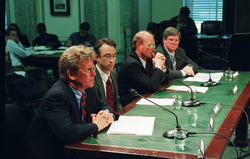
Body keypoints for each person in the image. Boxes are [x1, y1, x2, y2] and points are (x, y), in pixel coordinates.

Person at [29, 45, 118, 159]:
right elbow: (68, 132)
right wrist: (97, 125)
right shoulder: (57, 96)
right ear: (71, 74)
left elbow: (104, 106)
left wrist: (104, 115)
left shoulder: (88, 88)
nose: (94, 74)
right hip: (55, 153)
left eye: (93, 68)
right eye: (87, 70)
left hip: (78, 148)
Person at [118, 30, 168, 107]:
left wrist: (162, 66)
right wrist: (157, 66)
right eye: (150, 45)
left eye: (154, 46)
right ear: (138, 45)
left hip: (145, 98)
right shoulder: (132, 64)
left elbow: (165, 80)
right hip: (131, 106)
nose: (153, 49)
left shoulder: (148, 59)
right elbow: (152, 87)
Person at [93, 38, 122, 112]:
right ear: (97, 57)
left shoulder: (113, 74)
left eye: (114, 56)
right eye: (107, 56)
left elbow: (116, 102)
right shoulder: (91, 78)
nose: (112, 60)